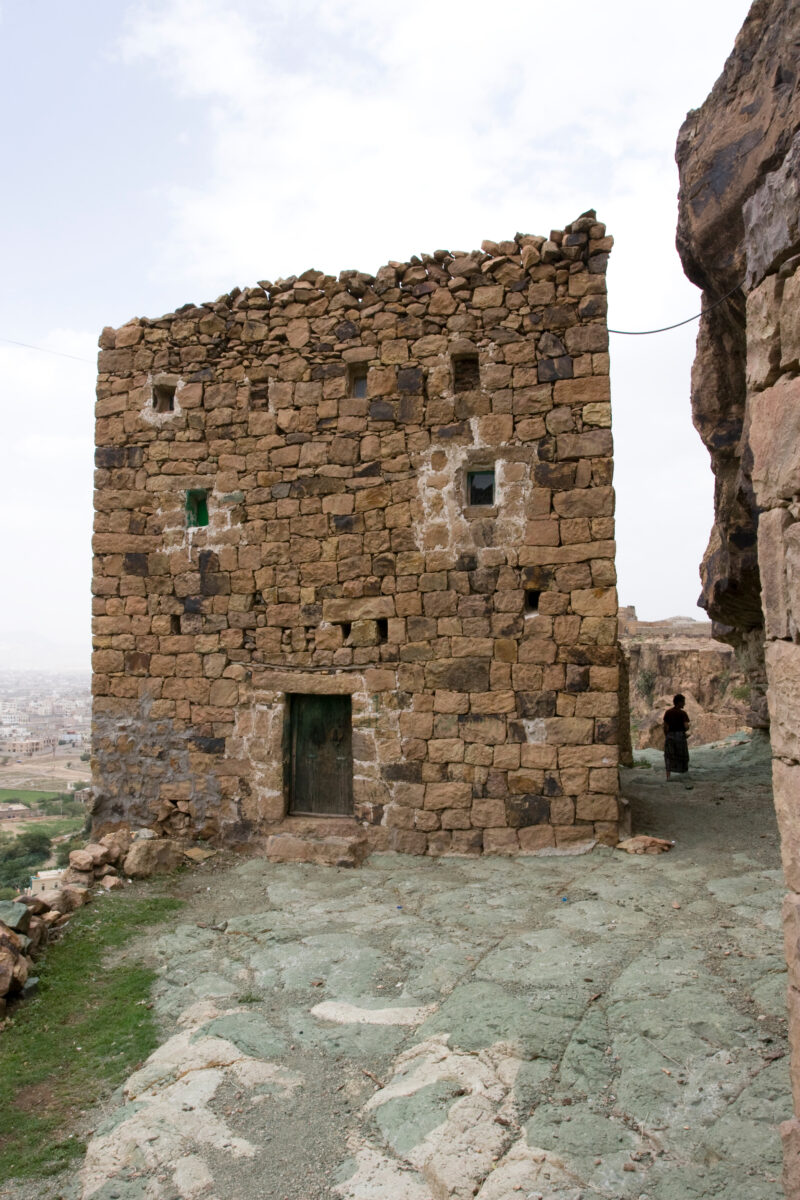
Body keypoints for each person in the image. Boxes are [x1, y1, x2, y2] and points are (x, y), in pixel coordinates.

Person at [663, 693, 690, 781]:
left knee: (669, 756)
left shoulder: (668, 712)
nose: (684, 704)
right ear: (679, 703)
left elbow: (665, 727)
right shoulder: (683, 714)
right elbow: (686, 726)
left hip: (670, 736)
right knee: (682, 755)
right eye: (683, 702)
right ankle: (683, 774)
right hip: (680, 736)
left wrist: (667, 735)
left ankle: (668, 776)